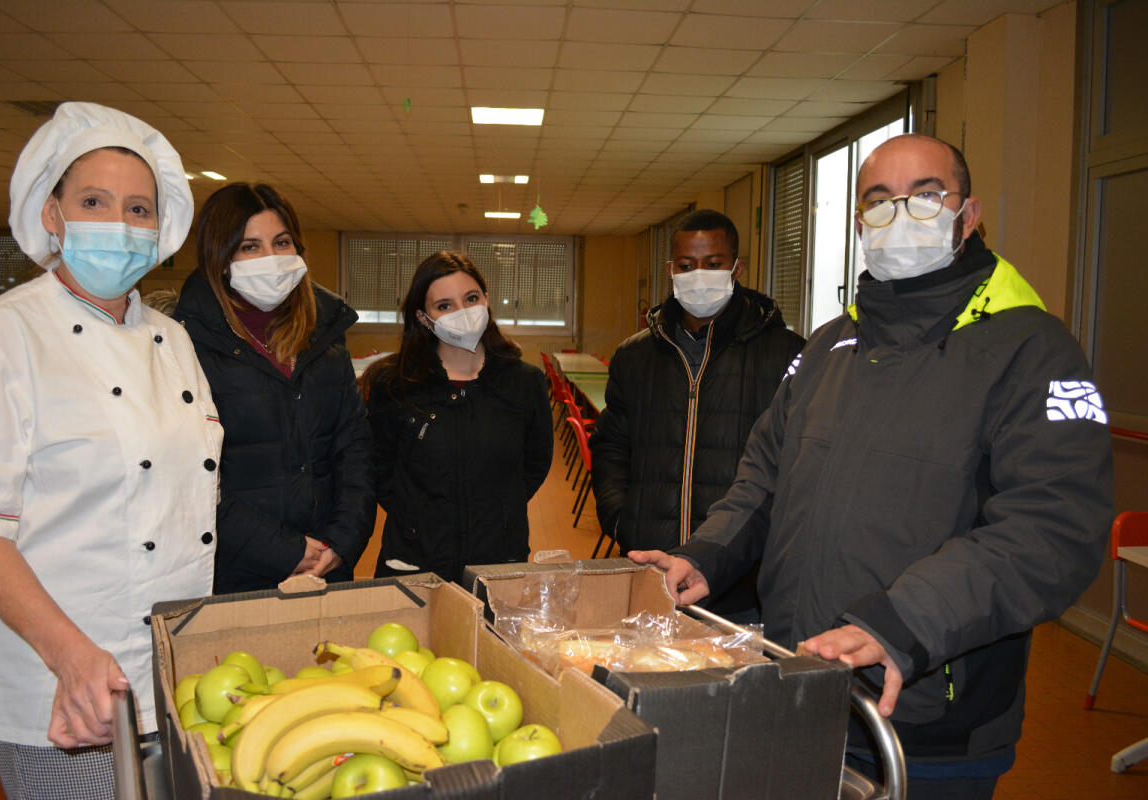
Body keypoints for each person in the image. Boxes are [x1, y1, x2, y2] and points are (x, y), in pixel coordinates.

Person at [631, 134, 1113, 799]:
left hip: (924, 713)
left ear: (968, 215)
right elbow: (765, 477)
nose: (900, 214)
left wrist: (903, 621)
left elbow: (1052, 528)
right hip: (804, 687)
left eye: (925, 195)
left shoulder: (1029, 349)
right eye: (879, 201)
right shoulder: (833, 345)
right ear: (860, 224)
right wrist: (709, 553)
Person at [0, 102, 221, 799]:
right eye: (93, 201)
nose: (119, 225)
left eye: (138, 209)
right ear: (51, 213)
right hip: (67, 685)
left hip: (176, 672)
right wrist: (70, 657)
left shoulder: (174, 338)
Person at [589, 209, 804, 618]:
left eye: (713, 264)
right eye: (687, 266)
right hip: (650, 565)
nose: (698, 275)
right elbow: (612, 445)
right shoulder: (635, 355)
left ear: (736, 268)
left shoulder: (785, 352)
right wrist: (621, 521)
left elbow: (792, 463)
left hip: (740, 579)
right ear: (671, 269)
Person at [172, 183, 374, 593]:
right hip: (236, 566)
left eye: (281, 242)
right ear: (221, 257)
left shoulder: (325, 333)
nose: (271, 258)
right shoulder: (186, 343)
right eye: (250, 247)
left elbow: (354, 447)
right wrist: (285, 550)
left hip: (326, 562)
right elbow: (190, 476)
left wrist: (341, 540)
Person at [362, 251, 553, 583]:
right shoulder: (392, 385)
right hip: (415, 559)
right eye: (445, 306)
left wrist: (499, 511)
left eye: (471, 298)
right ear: (423, 318)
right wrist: (419, 518)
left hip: (498, 561)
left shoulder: (525, 382)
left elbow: (534, 464)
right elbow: (378, 470)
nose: (463, 312)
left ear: (487, 300)